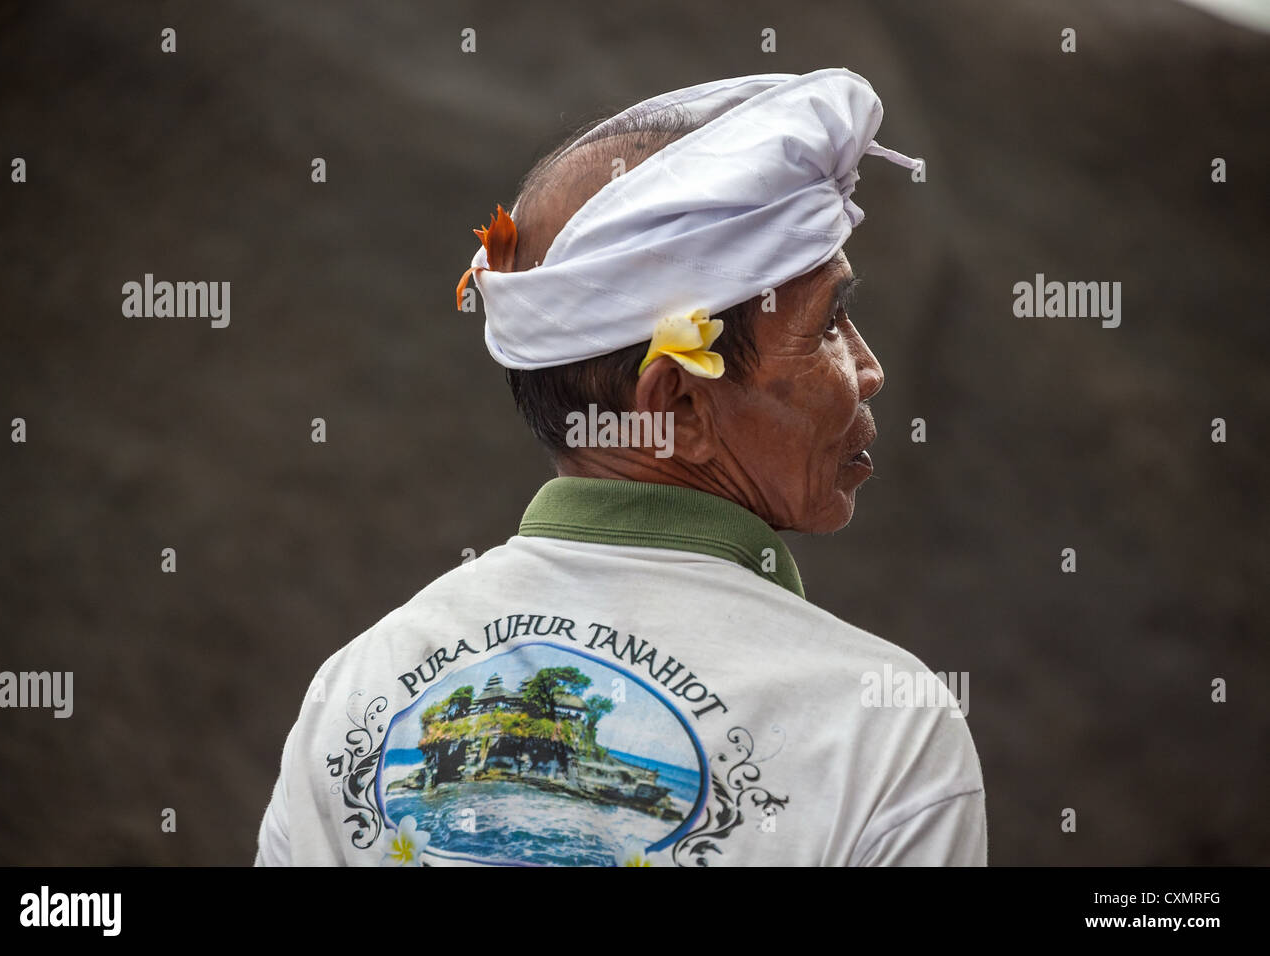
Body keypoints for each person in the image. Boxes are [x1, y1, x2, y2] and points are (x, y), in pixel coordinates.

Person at [255, 68, 986, 867]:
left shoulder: (353, 691)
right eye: (831, 325)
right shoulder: (880, 728)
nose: (869, 369)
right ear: (676, 404)